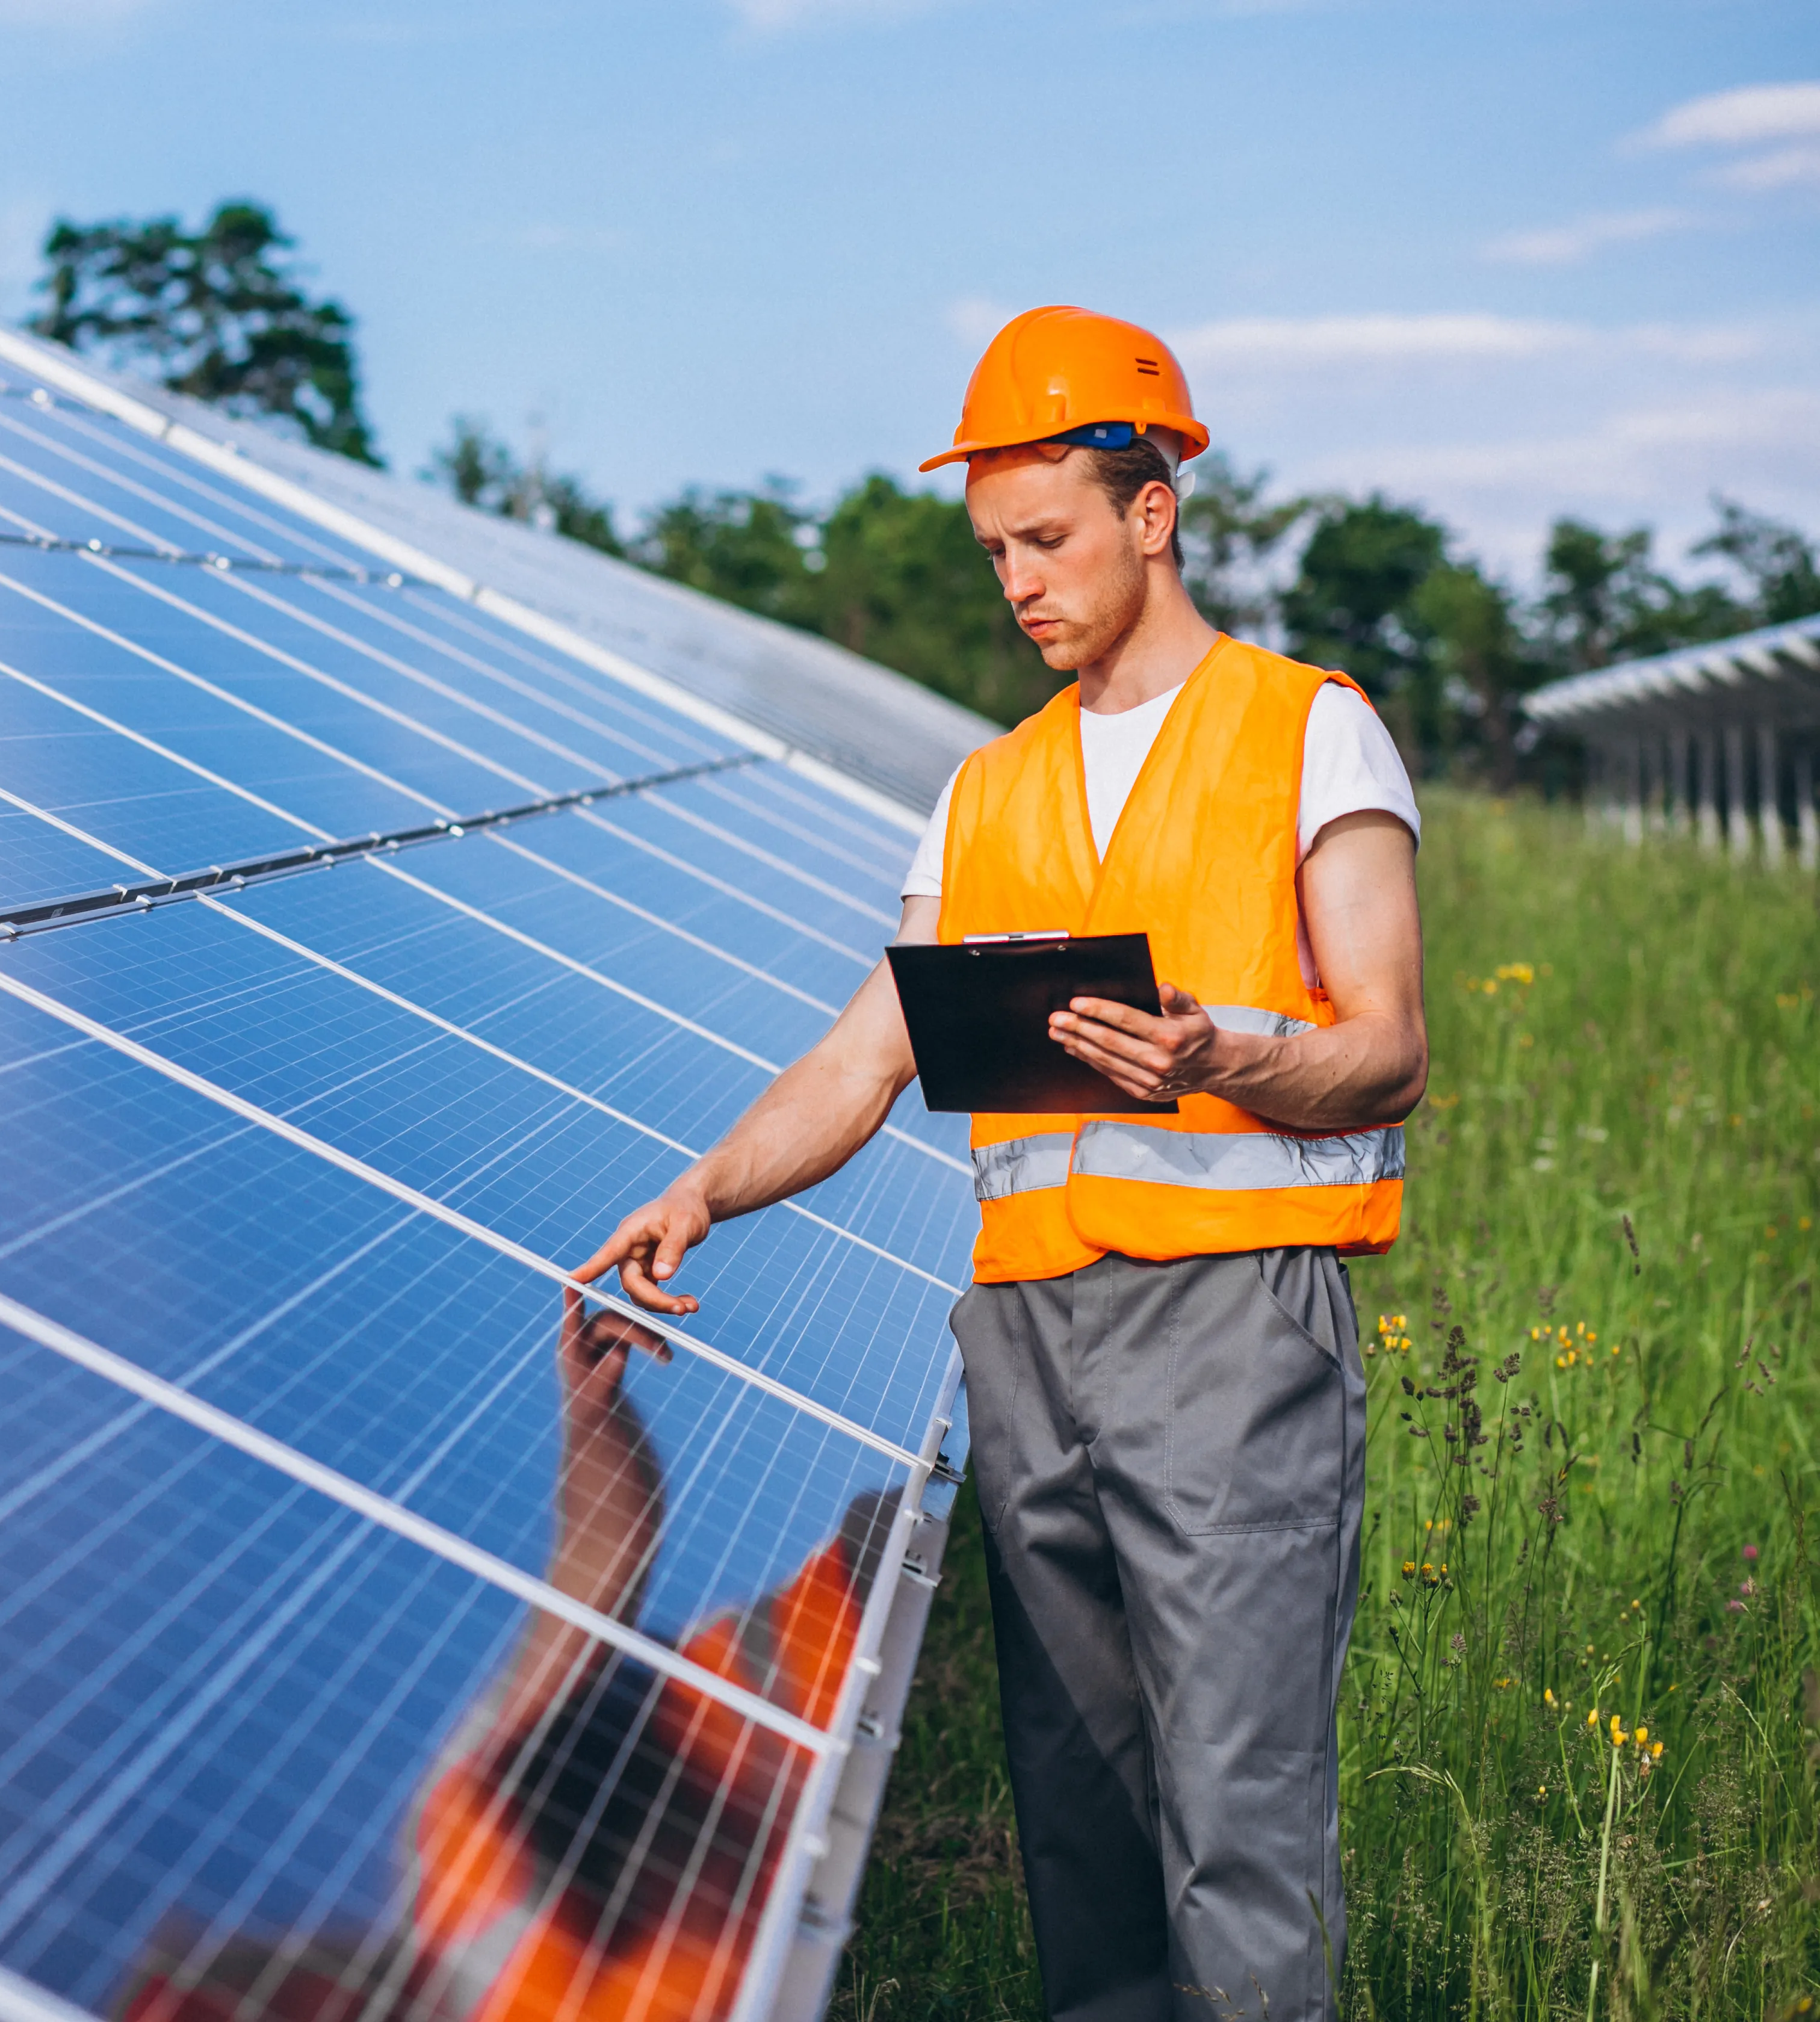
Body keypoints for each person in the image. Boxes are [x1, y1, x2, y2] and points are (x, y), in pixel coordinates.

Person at [575, 305, 1426, 2022]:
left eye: (1046, 539)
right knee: (1085, 1832)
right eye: (994, 552)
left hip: (1233, 1333)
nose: (1018, 582)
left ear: (1153, 512)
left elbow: (1390, 1044)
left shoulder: (1306, 732)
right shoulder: (984, 795)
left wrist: (1224, 1057)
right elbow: (861, 1054)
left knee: (1238, 1830)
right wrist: (707, 1188)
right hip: (1027, 1352)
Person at [117, 1292, 902, 2022]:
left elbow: (600, 1558)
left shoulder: (457, 1837)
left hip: (848, 1643)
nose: (266, 1953)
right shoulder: (472, 1872)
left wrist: (591, 1410)